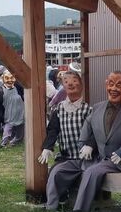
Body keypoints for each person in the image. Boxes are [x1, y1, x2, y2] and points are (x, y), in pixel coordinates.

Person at [44, 71, 121, 212]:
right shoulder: (97, 108)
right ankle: (51, 206)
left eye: (119, 85)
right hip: (94, 158)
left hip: (117, 161)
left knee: (91, 172)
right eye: (111, 84)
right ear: (106, 85)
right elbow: (88, 128)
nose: (114, 89)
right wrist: (85, 144)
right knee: (59, 170)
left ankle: (80, 210)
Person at [38, 70, 91, 202]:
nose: (70, 84)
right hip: (66, 157)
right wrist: (47, 147)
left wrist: (90, 145)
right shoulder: (59, 109)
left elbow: (95, 132)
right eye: (66, 82)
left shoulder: (88, 110)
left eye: (74, 81)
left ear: (81, 85)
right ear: (63, 86)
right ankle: (54, 204)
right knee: (55, 173)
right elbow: (53, 130)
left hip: (85, 158)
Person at [0, 72, 25, 148]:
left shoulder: (18, 88)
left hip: (20, 112)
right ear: (3, 79)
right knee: (8, 126)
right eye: (7, 78)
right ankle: (4, 141)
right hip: (9, 112)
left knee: (21, 127)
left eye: (12, 78)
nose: (10, 80)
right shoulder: (1, 89)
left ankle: (17, 140)